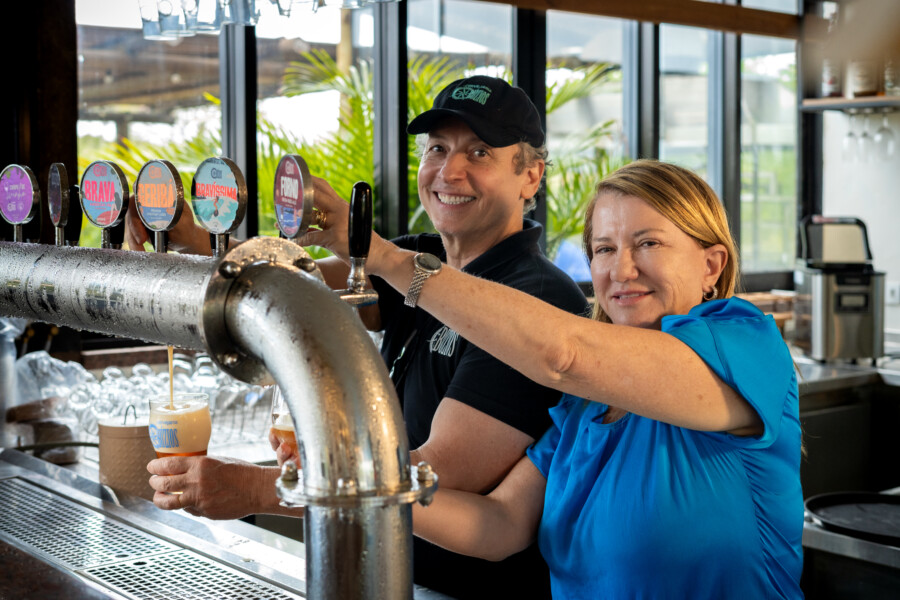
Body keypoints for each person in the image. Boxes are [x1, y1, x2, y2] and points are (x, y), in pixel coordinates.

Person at [128, 76, 589, 599]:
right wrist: (190, 237)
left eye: (479, 152)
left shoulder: (537, 298)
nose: (449, 171)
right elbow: (284, 285)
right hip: (388, 572)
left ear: (530, 176)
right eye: (438, 148)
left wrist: (258, 488)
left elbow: (442, 470)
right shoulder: (421, 261)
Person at [302, 159, 804, 598]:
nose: (622, 270)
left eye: (647, 242)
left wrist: (385, 257)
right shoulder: (585, 405)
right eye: (604, 249)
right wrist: (337, 480)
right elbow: (498, 525)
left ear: (711, 265)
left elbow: (564, 353)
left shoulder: (744, 345)